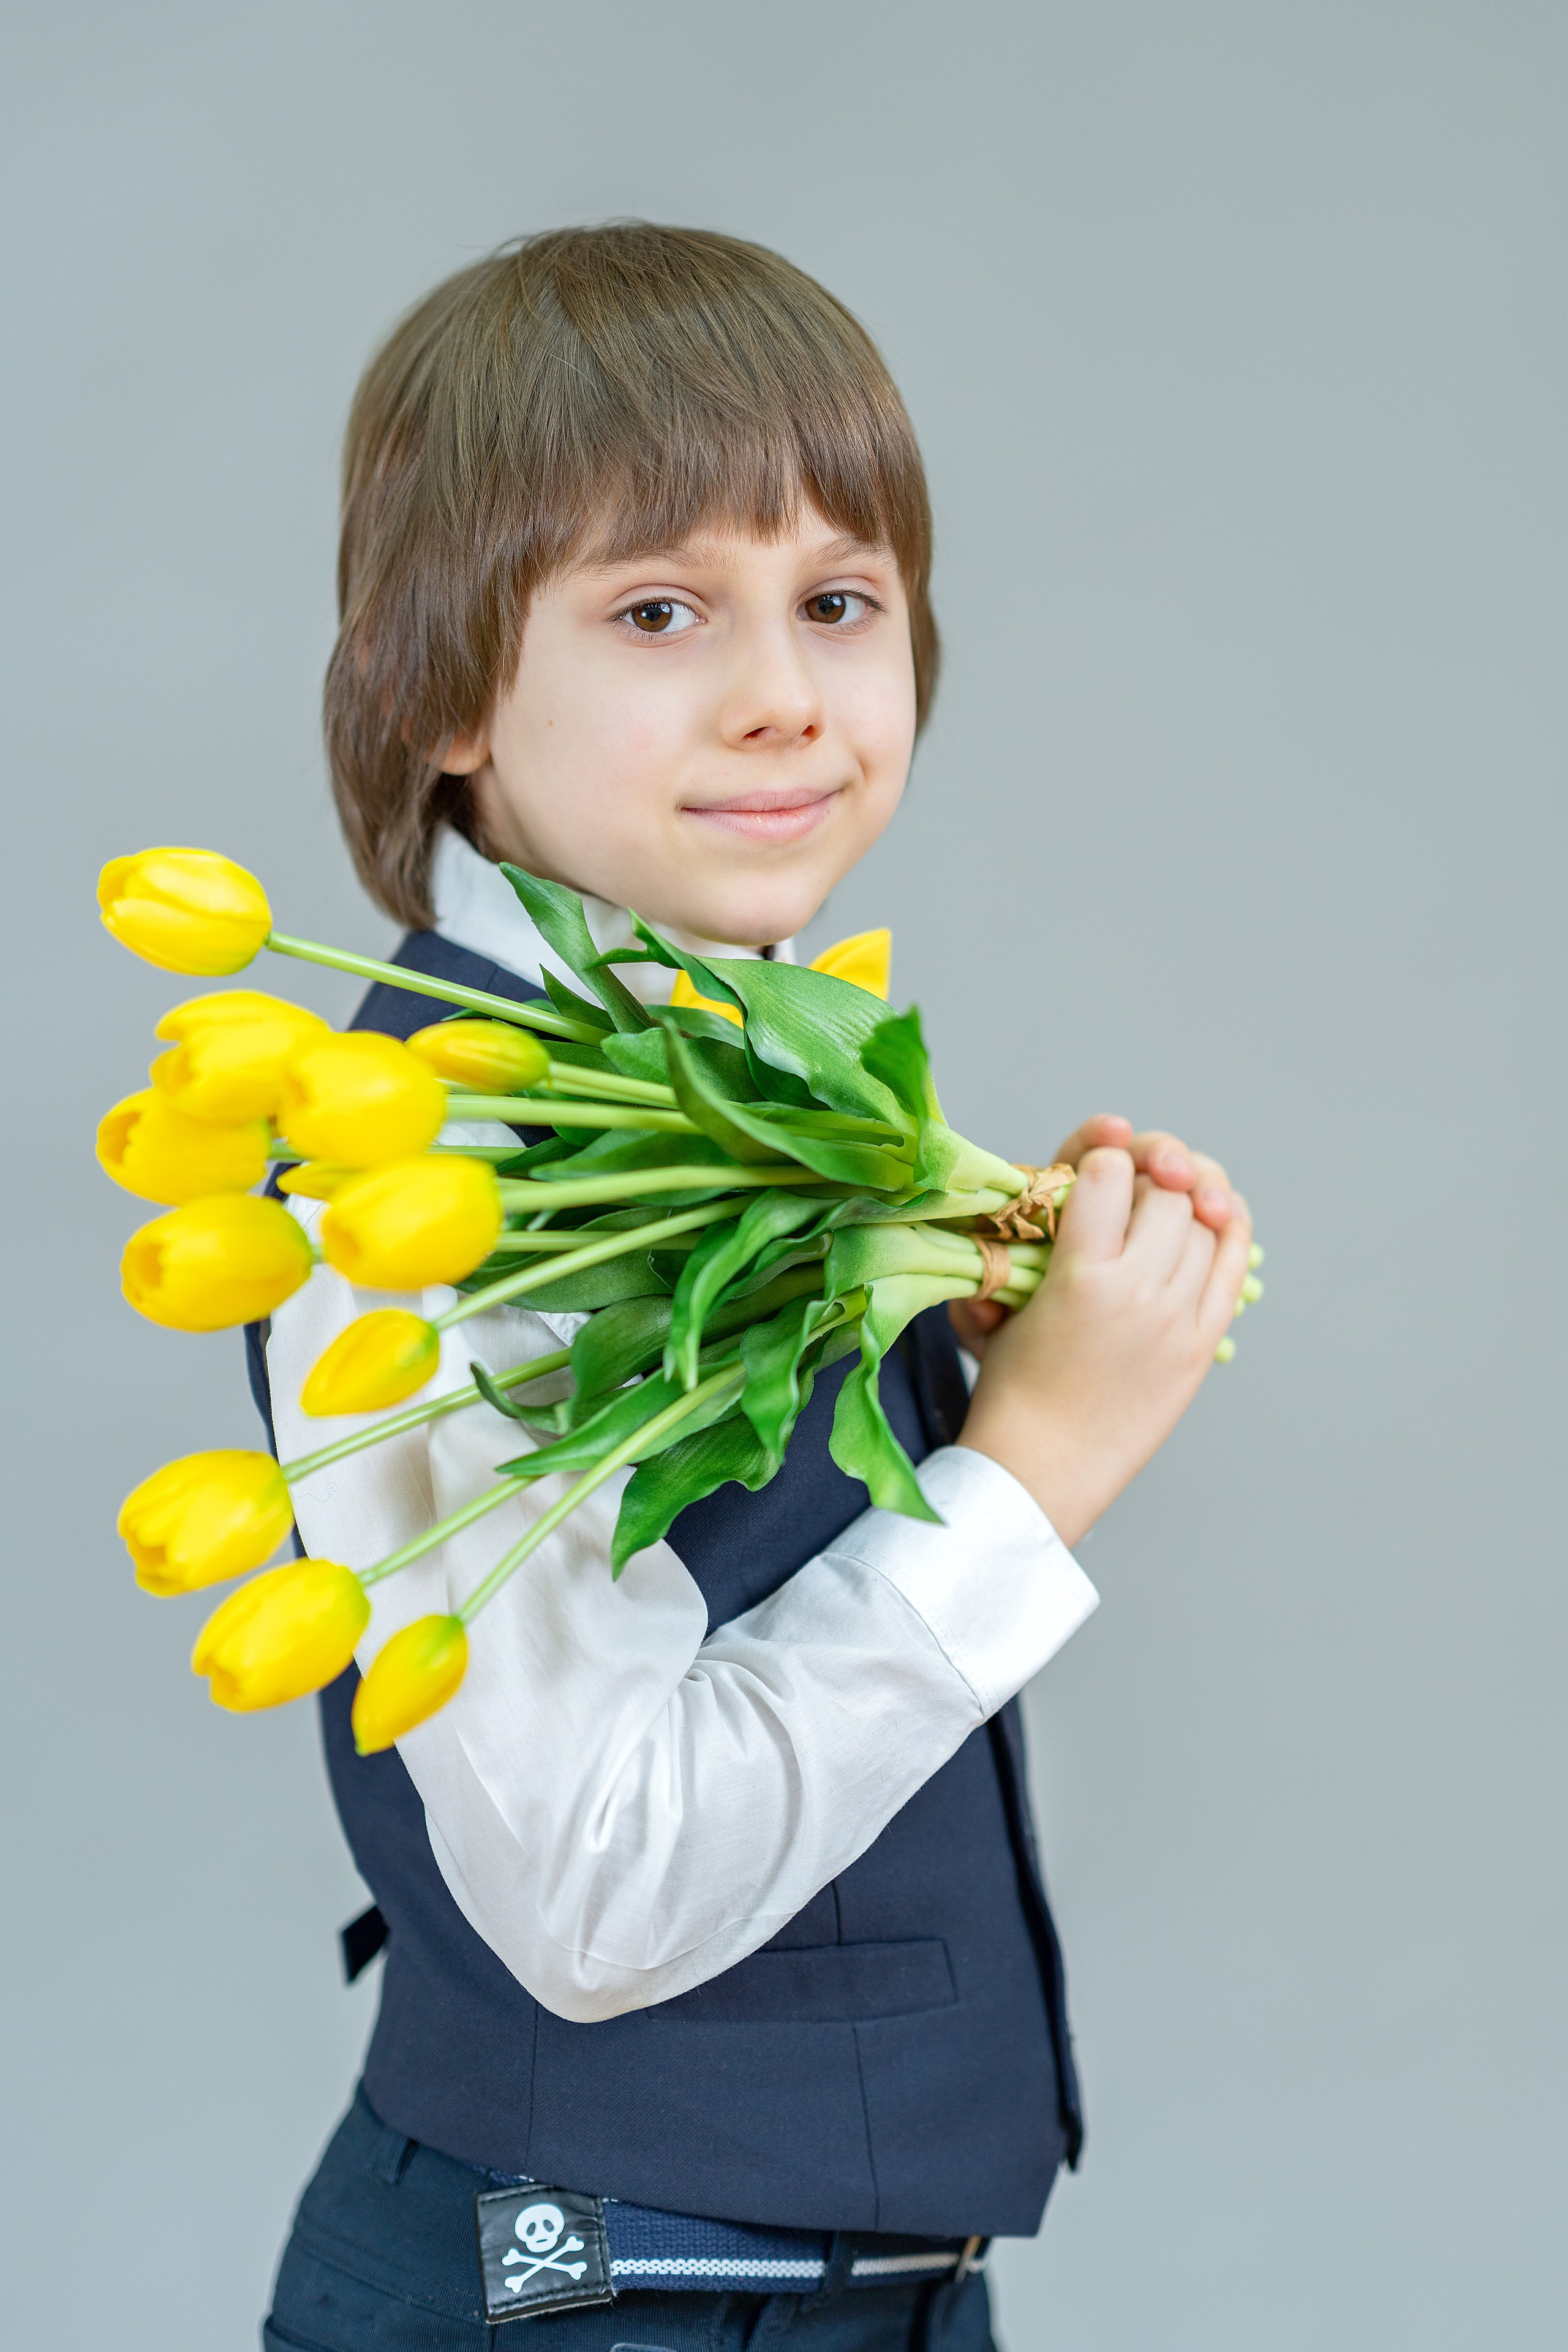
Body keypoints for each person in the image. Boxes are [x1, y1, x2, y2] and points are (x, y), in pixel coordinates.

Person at [257, 223, 1251, 2352]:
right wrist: (1035, 1471)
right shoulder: (414, 1172)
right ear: (434, 688)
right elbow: (598, 1882)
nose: (783, 688)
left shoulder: (724, 1069)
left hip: (823, 2287)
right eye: (655, 610)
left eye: (838, 601)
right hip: (608, 2292)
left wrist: (954, 1334)